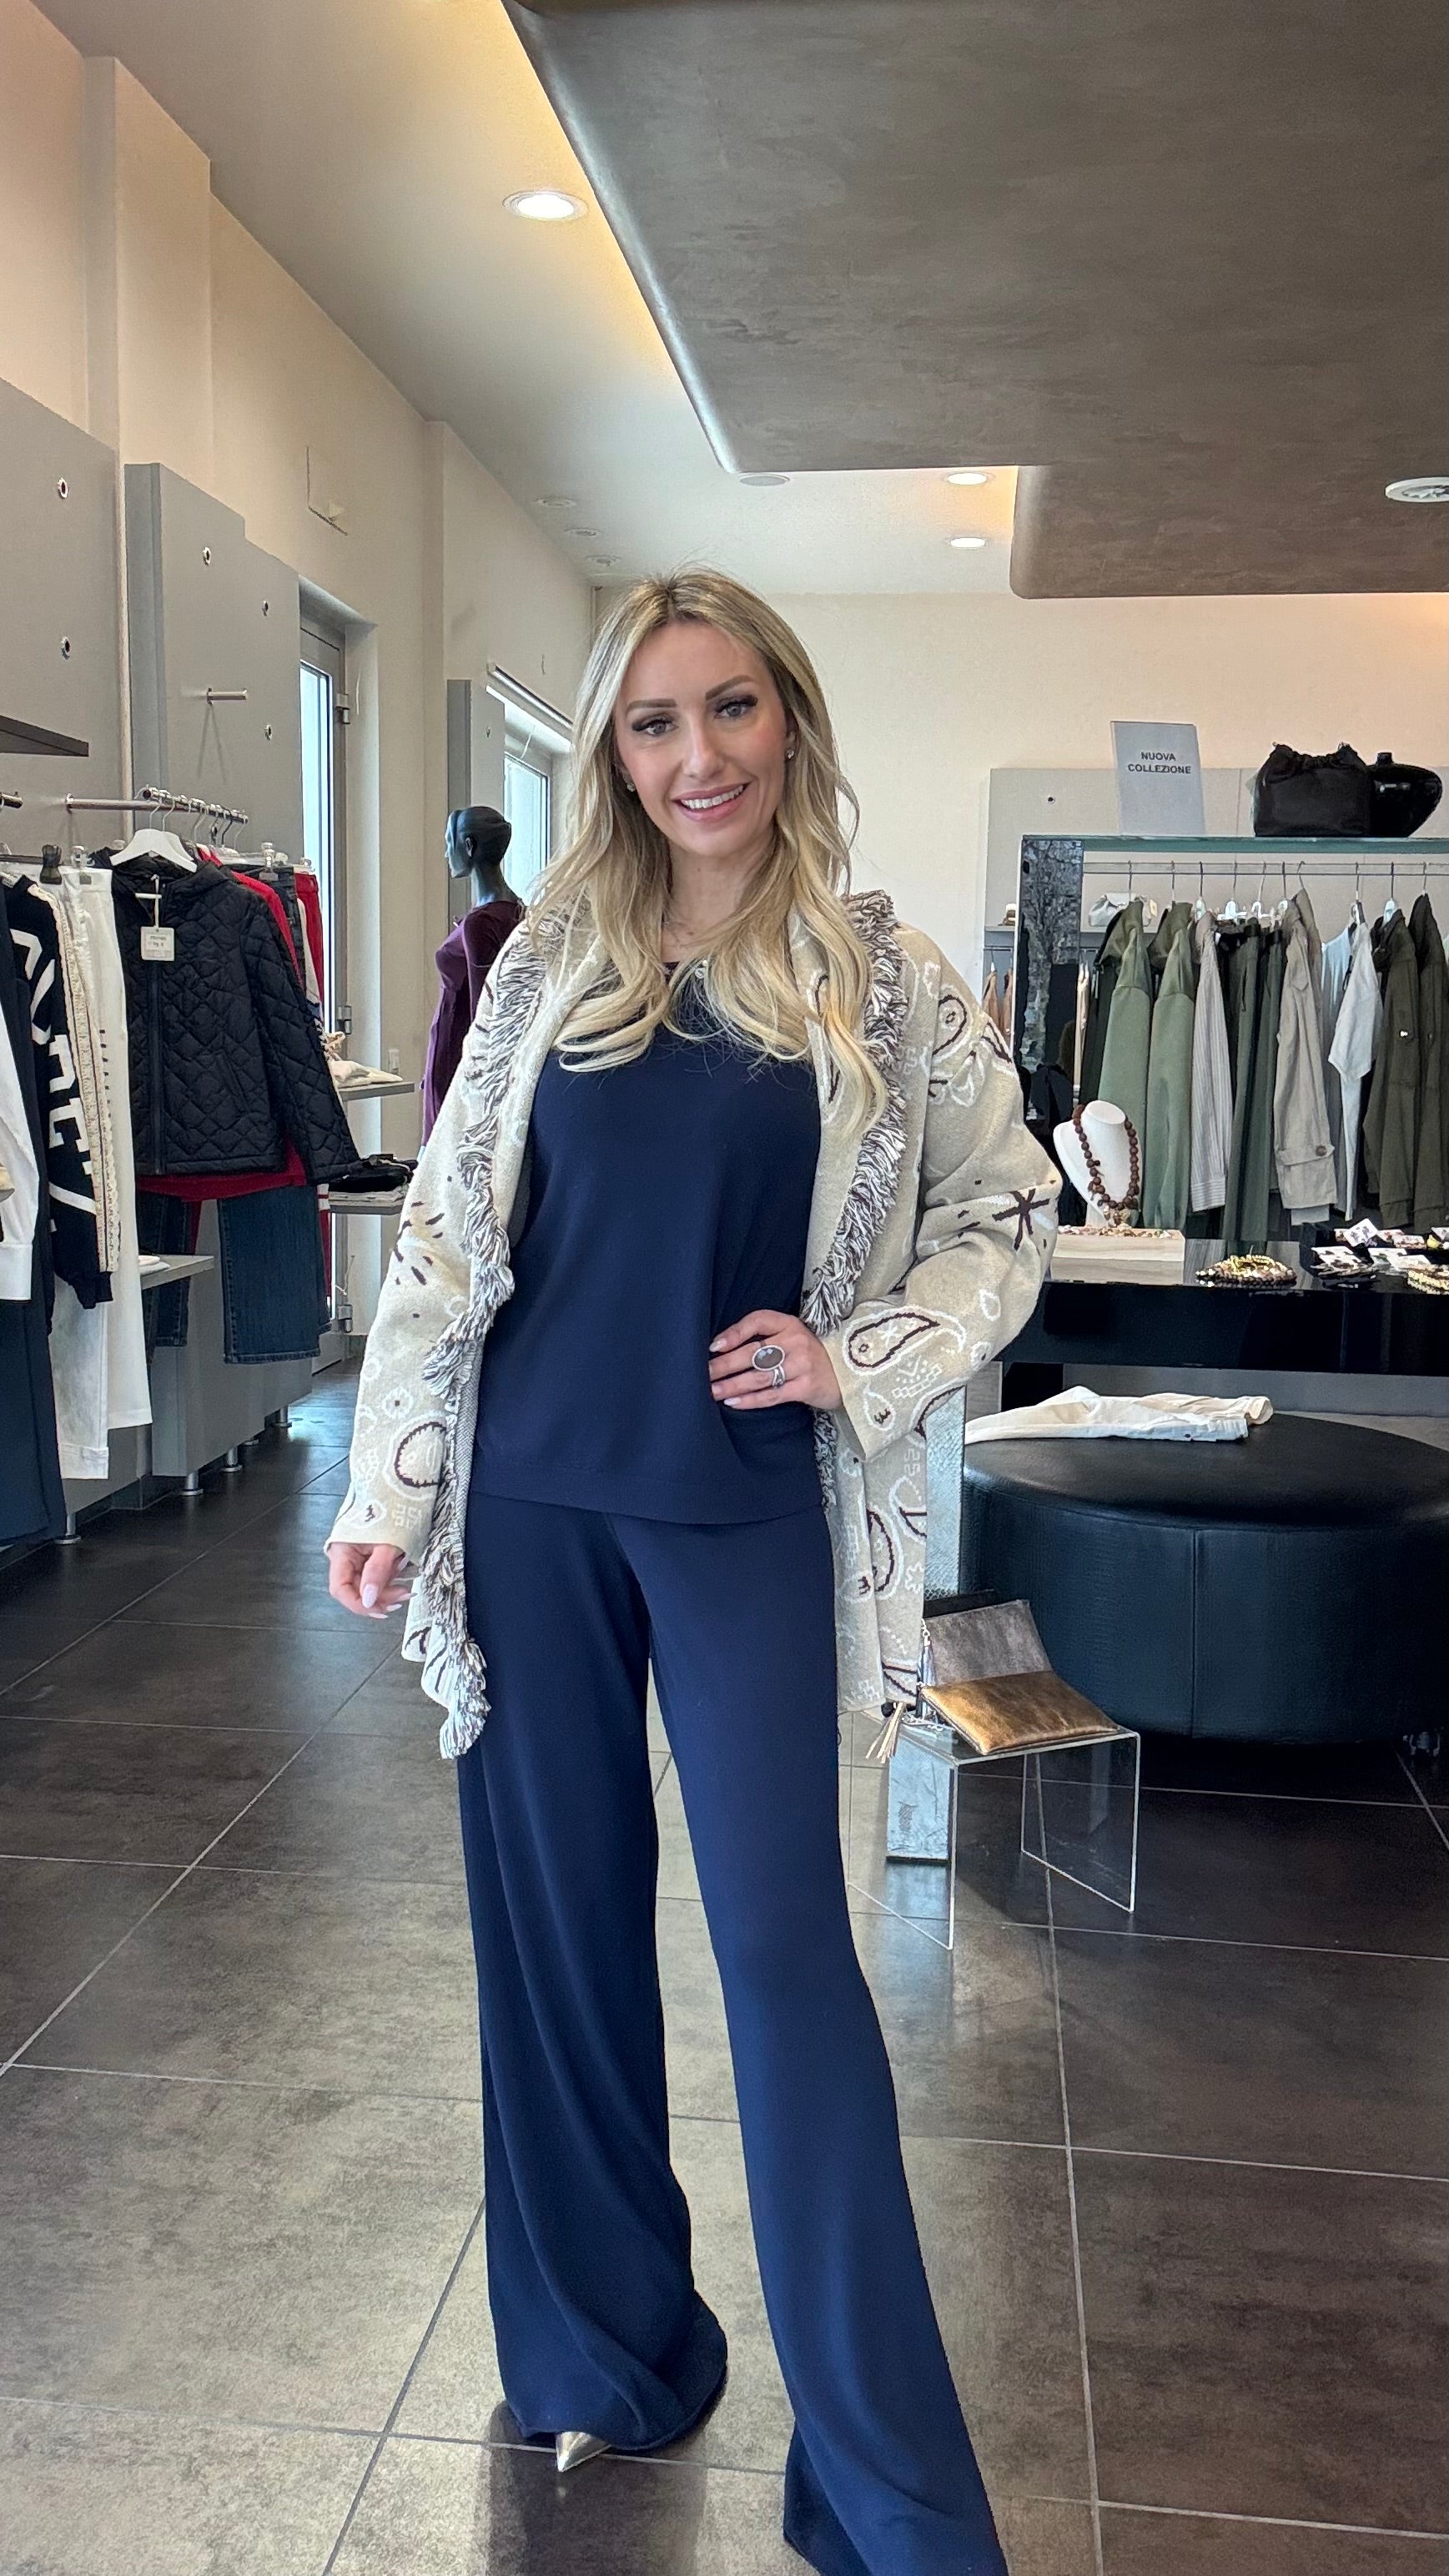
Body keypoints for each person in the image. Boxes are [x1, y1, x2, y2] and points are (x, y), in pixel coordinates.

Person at [327, 570, 1059, 2574]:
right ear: (612, 753)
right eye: (652, 722)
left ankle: (884, 2490)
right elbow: (446, 1235)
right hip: (528, 1509)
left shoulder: (881, 974)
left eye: (728, 707)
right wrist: (386, 1485)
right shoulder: (545, 965)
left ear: (785, 719)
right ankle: (606, 2349)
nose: (696, 755)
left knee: (788, 1961)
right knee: (553, 1941)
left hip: (741, 1510)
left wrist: (859, 1352)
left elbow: (1005, 1208)